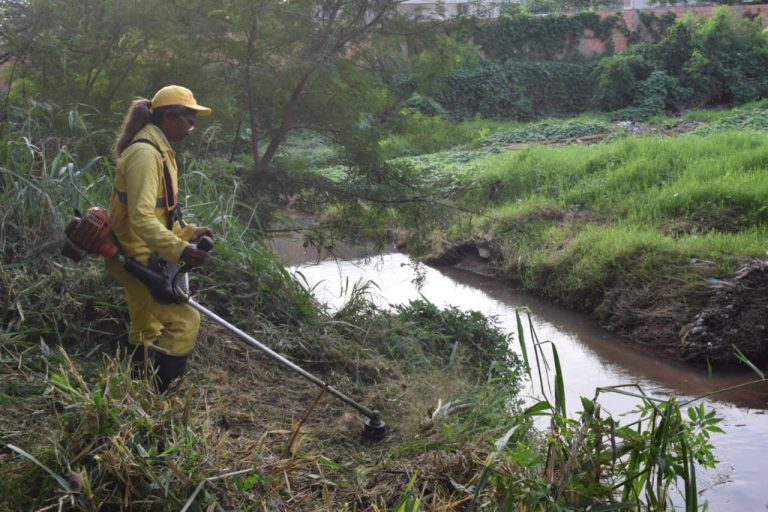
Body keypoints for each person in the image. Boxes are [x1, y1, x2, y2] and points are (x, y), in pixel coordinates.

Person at [106, 85, 213, 393]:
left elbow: (159, 213)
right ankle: (161, 396)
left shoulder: (160, 151)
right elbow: (141, 219)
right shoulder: (144, 154)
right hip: (133, 256)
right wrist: (182, 249)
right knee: (185, 322)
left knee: (147, 326)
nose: (191, 128)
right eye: (188, 120)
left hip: (138, 251)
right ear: (168, 117)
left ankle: (138, 390)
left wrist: (189, 232)